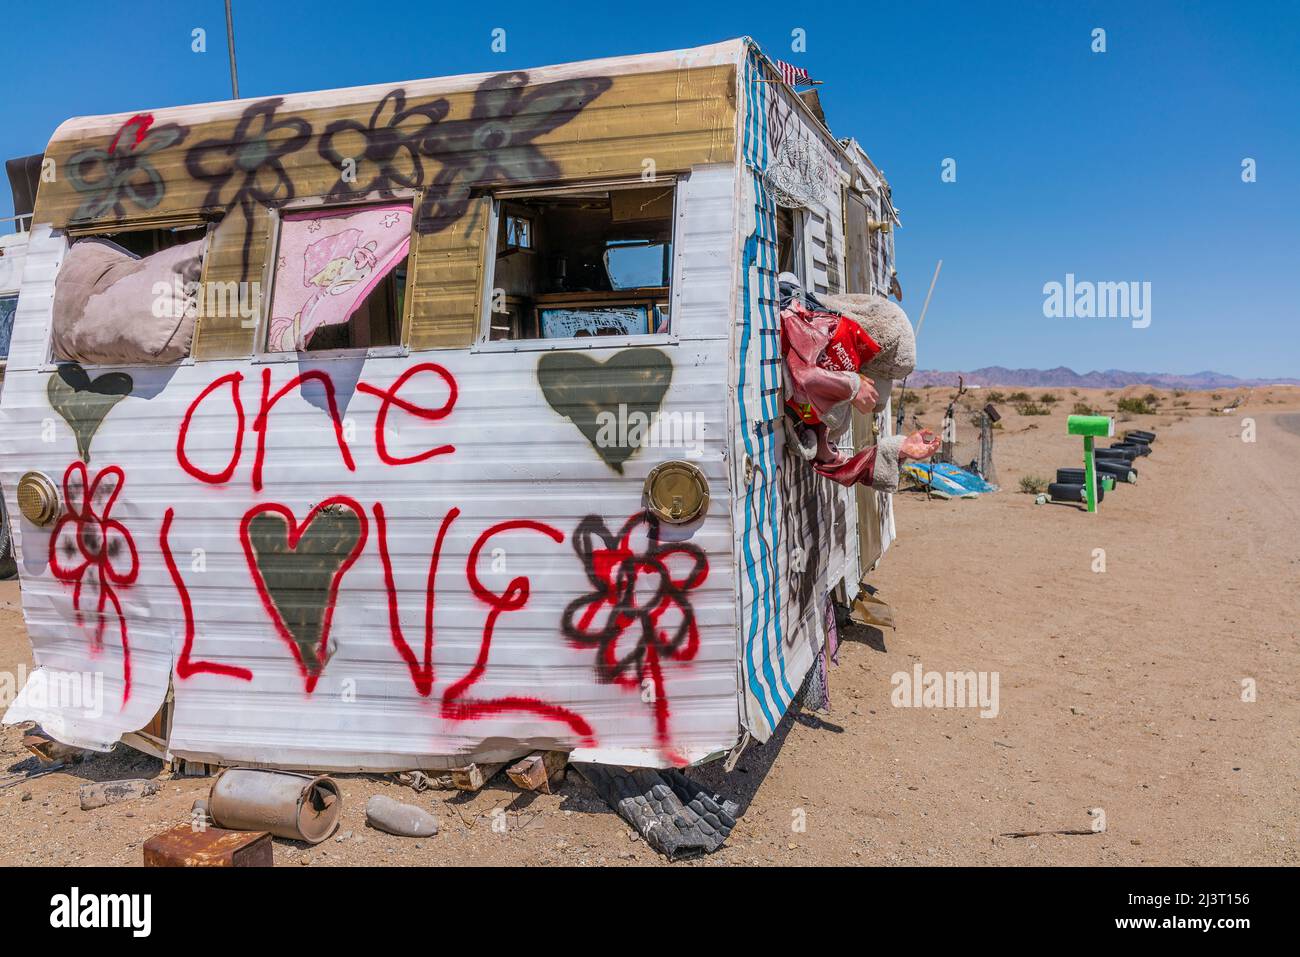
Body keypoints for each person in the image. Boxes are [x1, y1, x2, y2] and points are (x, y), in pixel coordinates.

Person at [779, 273, 940, 490]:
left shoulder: (829, 418)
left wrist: (898, 448)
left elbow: (840, 467)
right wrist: (851, 387)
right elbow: (801, 375)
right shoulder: (806, 323)